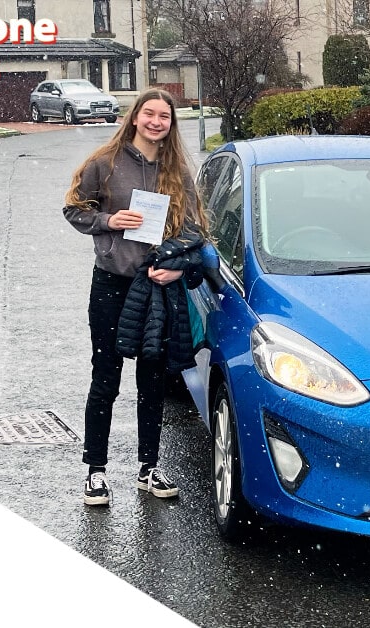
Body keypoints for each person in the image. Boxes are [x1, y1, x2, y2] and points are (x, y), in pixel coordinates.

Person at [62, 88, 208, 506]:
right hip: (111, 284)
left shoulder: (177, 171)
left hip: (157, 288)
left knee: (152, 379)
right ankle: (95, 470)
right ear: (136, 117)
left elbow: (196, 230)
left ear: (170, 125)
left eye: (165, 116)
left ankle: (148, 468)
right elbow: (74, 209)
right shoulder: (104, 164)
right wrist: (108, 220)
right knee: (105, 378)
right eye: (150, 114)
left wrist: (179, 266)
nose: (156, 122)